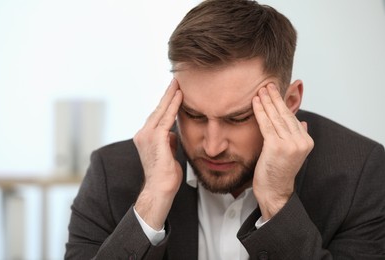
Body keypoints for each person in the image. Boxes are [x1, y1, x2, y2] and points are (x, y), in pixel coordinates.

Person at [65, 0, 385, 259]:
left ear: (289, 102)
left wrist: (277, 201)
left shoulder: (359, 173)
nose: (213, 145)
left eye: (238, 118)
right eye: (192, 114)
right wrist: (151, 203)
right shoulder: (112, 172)